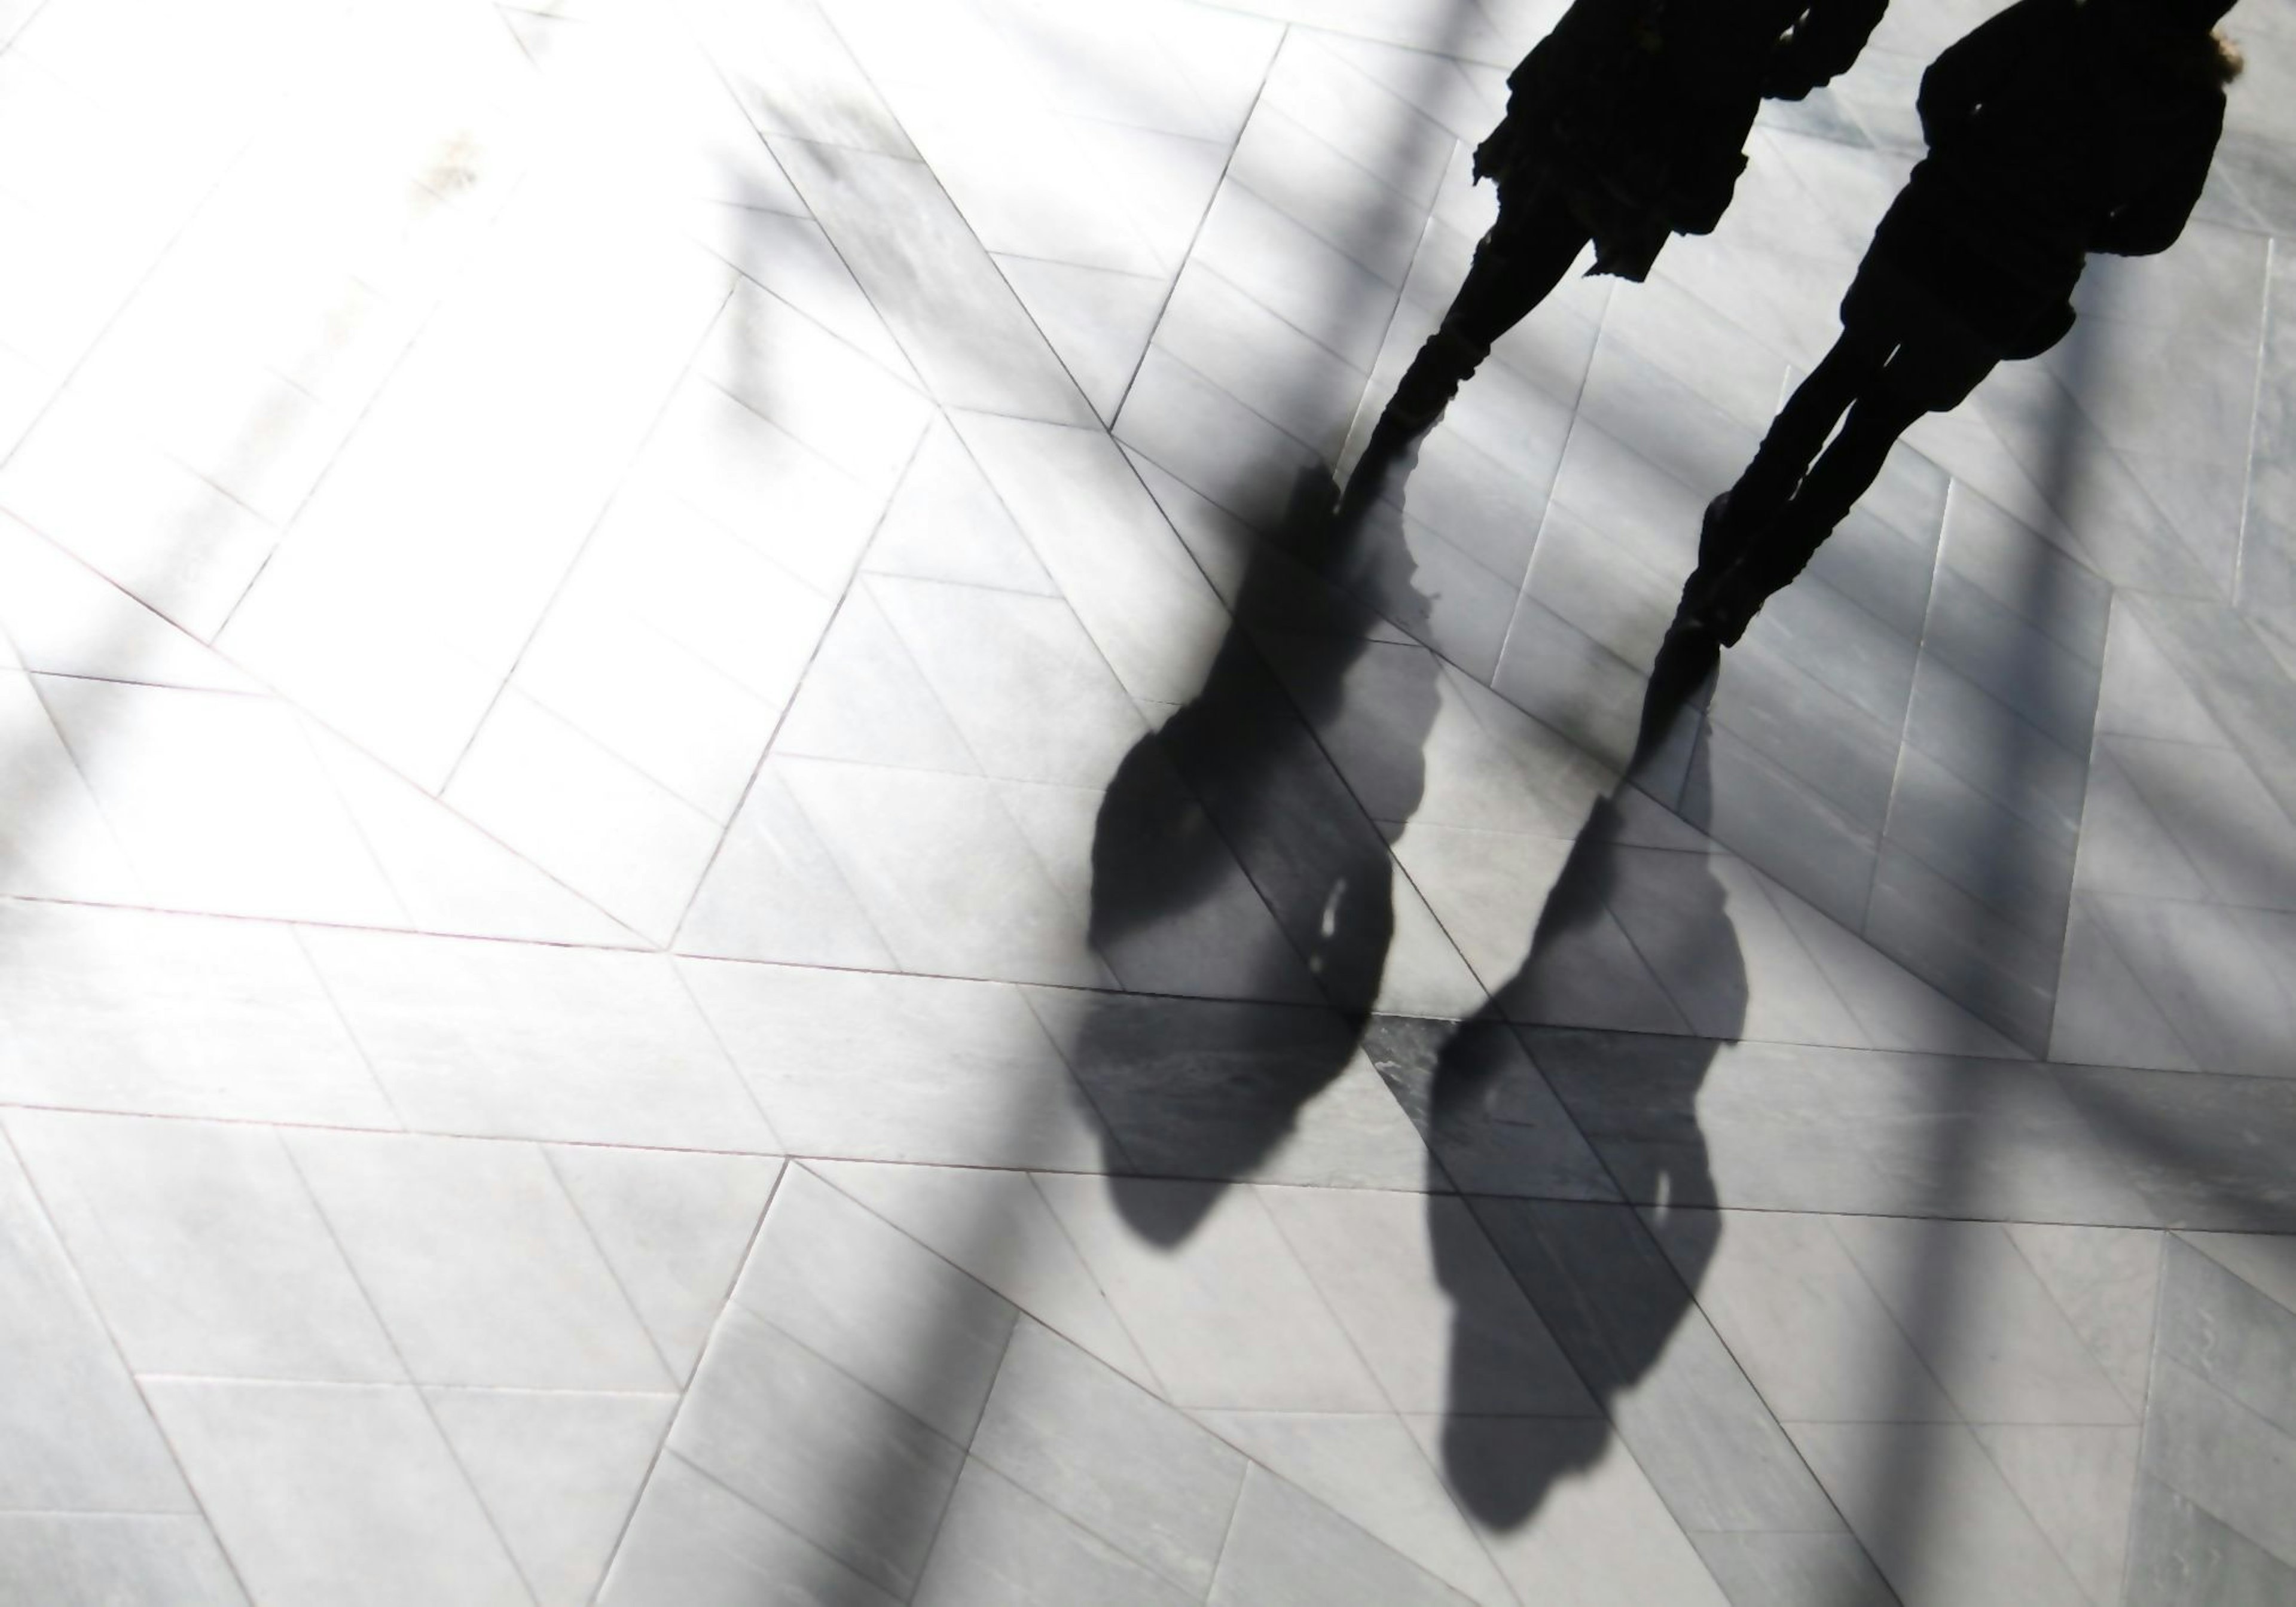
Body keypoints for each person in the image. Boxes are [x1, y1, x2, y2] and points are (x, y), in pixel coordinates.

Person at [1674, 0, 2243, 647]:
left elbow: (1947, 81)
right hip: (2010, 288)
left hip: (1933, 228)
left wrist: (1958, 158)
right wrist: (2073, 230)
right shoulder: (2196, 103)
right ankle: (1754, 583)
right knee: (1880, 427)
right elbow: (2154, 228)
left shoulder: (2066, 18)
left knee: (1843, 368)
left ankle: (1740, 519)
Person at [1373, 0, 1886, 443]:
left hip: (1619, 27)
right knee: (1580, 208)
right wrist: (1755, 58)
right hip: (1699, 88)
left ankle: (1467, 320)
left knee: (1545, 164)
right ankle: (1455, 350)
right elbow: (1830, 39)